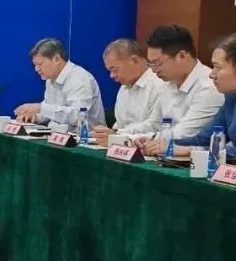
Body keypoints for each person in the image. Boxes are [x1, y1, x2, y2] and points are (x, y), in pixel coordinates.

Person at [136, 24, 225, 156]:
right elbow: (154, 124)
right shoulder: (166, 85)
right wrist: (127, 137)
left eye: (157, 63)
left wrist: (148, 140)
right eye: (151, 64)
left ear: (182, 55)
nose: (153, 70)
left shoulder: (209, 87)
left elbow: (184, 134)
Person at [165, 33, 236, 159]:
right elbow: (204, 139)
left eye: (218, 67)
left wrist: (192, 151)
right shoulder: (231, 97)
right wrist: (163, 143)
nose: (211, 74)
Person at [92, 38, 167, 144]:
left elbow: (155, 125)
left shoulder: (160, 84)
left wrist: (117, 134)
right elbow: (120, 124)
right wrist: (106, 133)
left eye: (114, 69)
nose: (112, 76)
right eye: (109, 71)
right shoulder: (123, 89)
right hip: (123, 144)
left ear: (135, 61)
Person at [14, 38, 104, 127]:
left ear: (57, 59)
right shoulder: (50, 79)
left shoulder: (79, 77)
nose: (36, 69)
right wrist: (35, 116)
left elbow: (78, 116)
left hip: (85, 135)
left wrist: (40, 108)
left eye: (40, 64)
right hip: (57, 133)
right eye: (35, 65)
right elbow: (51, 111)